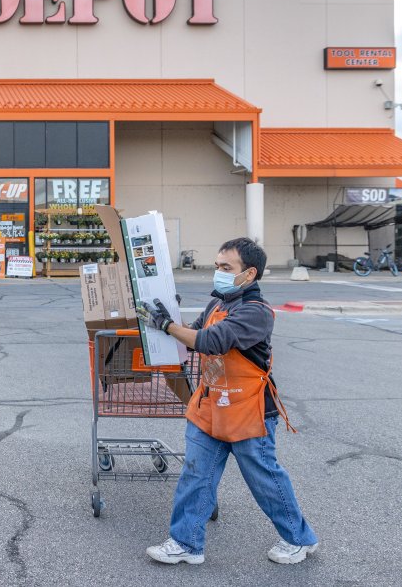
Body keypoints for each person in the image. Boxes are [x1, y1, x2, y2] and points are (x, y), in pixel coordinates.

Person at [138, 237, 318, 566]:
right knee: (196, 474)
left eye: (226, 268)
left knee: (264, 479)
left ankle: (298, 539)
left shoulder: (257, 313)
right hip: (210, 405)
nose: (218, 272)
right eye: (217, 265)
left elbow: (210, 341)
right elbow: (192, 335)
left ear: (249, 274)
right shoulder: (217, 305)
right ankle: (185, 543)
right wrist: (169, 316)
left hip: (248, 410)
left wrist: (166, 325)